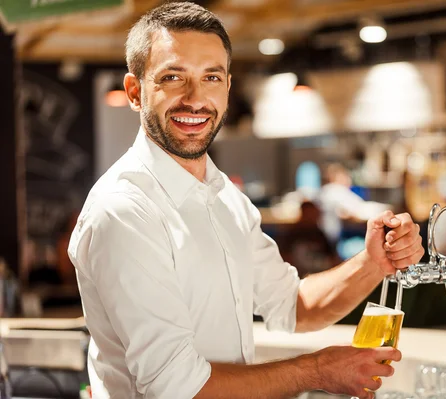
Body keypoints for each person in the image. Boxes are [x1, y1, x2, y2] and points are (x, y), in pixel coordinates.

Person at [67, 3, 425, 399]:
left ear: (227, 87)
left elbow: (293, 305)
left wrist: (374, 263)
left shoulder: (223, 197)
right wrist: (318, 370)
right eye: (173, 77)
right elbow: (177, 387)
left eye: (211, 77)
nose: (195, 98)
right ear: (135, 91)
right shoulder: (123, 211)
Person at [279, 200, 340, 278]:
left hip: (319, 276)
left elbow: (333, 259)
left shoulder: (320, 234)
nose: (313, 217)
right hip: (297, 277)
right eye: (310, 213)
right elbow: (284, 258)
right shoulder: (291, 234)